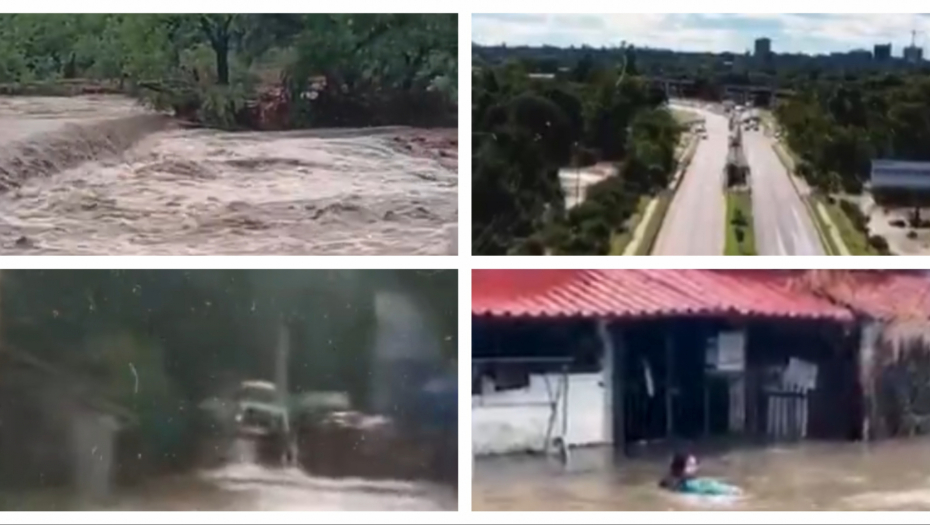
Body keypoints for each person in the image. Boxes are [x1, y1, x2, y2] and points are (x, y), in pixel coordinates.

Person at [659, 452, 742, 496]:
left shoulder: (670, 482)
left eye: (695, 465)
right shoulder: (684, 485)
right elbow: (707, 489)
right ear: (679, 468)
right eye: (691, 465)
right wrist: (729, 491)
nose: (695, 468)